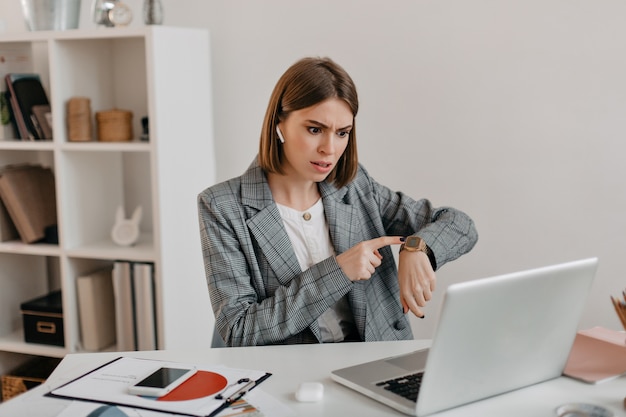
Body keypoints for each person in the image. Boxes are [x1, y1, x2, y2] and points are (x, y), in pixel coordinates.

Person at [198, 57, 478, 347]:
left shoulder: (355, 185)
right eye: (314, 129)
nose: (329, 150)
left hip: (376, 362)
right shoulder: (221, 206)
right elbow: (239, 329)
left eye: (342, 133)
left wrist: (417, 248)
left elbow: (460, 225)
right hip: (292, 375)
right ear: (279, 122)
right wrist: (338, 272)